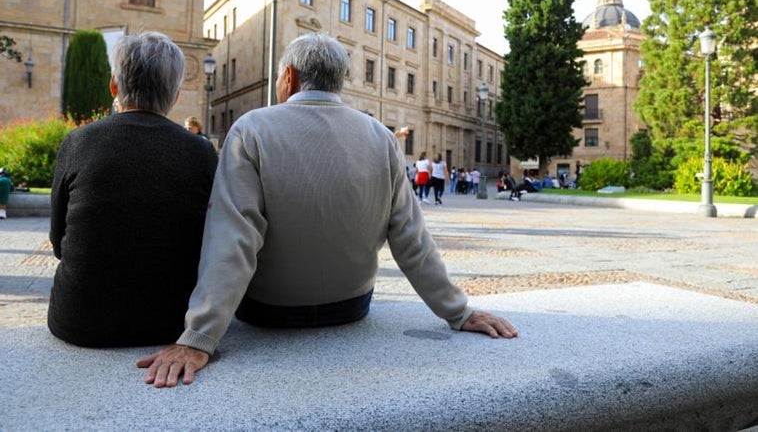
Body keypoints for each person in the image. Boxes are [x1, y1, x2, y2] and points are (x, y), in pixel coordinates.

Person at [137, 33, 517, 388]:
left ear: (289, 76)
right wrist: (458, 312)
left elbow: (233, 238)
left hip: (270, 312)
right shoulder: (380, 136)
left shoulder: (251, 129)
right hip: (351, 307)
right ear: (340, 81)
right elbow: (411, 239)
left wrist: (199, 338)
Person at [47, 32, 218, 348]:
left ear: (114, 85)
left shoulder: (78, 142)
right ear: (176, 95)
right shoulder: (200, 151)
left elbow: (59, 242)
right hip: (172, 320)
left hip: (79, 321)